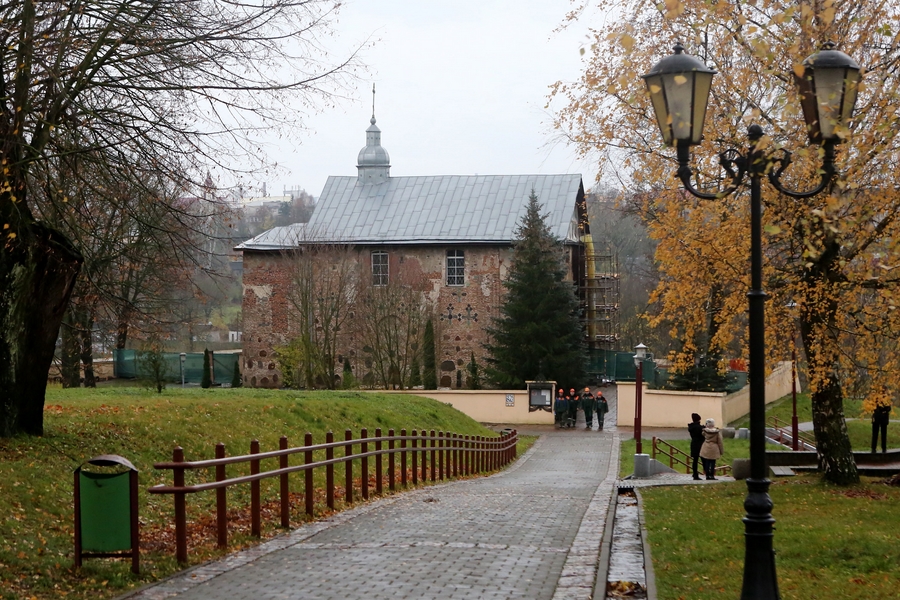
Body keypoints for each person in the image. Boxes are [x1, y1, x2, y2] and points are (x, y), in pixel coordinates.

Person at [688, 413, 704, 480]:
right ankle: (708, 474)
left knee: (695, 460)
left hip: (694, 444)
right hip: (700, 444)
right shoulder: (699, 428)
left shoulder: (691, 427)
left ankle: (695, 474)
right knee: (704, 460)